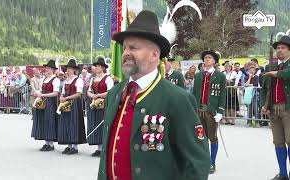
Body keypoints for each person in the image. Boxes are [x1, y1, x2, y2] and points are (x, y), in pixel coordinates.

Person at [97, 10, 209, 180]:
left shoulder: (177, 99)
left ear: (154, 54)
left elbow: (197, 163)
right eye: (125, 47)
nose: (126, 52)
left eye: (133, 47)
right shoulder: (115, 93)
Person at [192, 49, 226, 174]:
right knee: (201, 137)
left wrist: (220, 111)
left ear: (214, 61)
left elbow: (222, 95)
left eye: (210, 58)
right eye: (205, 58)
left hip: (211, 111)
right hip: (199, 110)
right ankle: (204, 160)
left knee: (213, 137)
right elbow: (194, 93)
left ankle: (212, 162)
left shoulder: (220, 76)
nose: (207, 59)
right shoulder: (198, 75)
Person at [261, 35, 290, 180]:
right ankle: (283, 174)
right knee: (278, 142)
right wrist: (264, 104)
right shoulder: (270, 66)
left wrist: (276, 74)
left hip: (288, 109)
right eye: (278, 48)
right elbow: (265, 88)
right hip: (274, 109)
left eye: (283, 47)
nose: (279, 50)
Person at [57, 58, 86, 155]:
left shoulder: (79, 80)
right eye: (68, 68)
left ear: (74, 69)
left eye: (70, 68)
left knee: (74, 123)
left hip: (74, 104)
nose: (68, 70)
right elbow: (63, 92)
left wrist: (67, 98)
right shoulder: (66, 80)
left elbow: (79, 93)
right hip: (65, 103)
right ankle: (68, 145)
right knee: (66, 123)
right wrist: (61, 97)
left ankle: (75, 146)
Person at [87, 57, 114, 157]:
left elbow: (110, 92)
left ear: (103, 68)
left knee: (103, 125)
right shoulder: (93, 79)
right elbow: (89, 91)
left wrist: (99, 95)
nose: (96, 68)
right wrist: (92, 96)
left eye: (98, 66)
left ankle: (104, 148)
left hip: (104, 105)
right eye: (96, 66)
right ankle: (98, 148)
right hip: (94, 104)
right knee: (95, 124)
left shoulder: (108, 78)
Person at [31, 60, 60, 151]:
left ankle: (51, 144)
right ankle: (46, 142)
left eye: (48, 68)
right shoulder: (44, 79)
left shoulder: (56, 80)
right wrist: (37, 93)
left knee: (49, 121)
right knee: (43, 121)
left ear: (52, 70)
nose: (46, 69)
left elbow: (55, 93)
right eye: (46, 68)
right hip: (43, 102)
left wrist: (43, 95)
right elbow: (41, 89)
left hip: (51, 103)